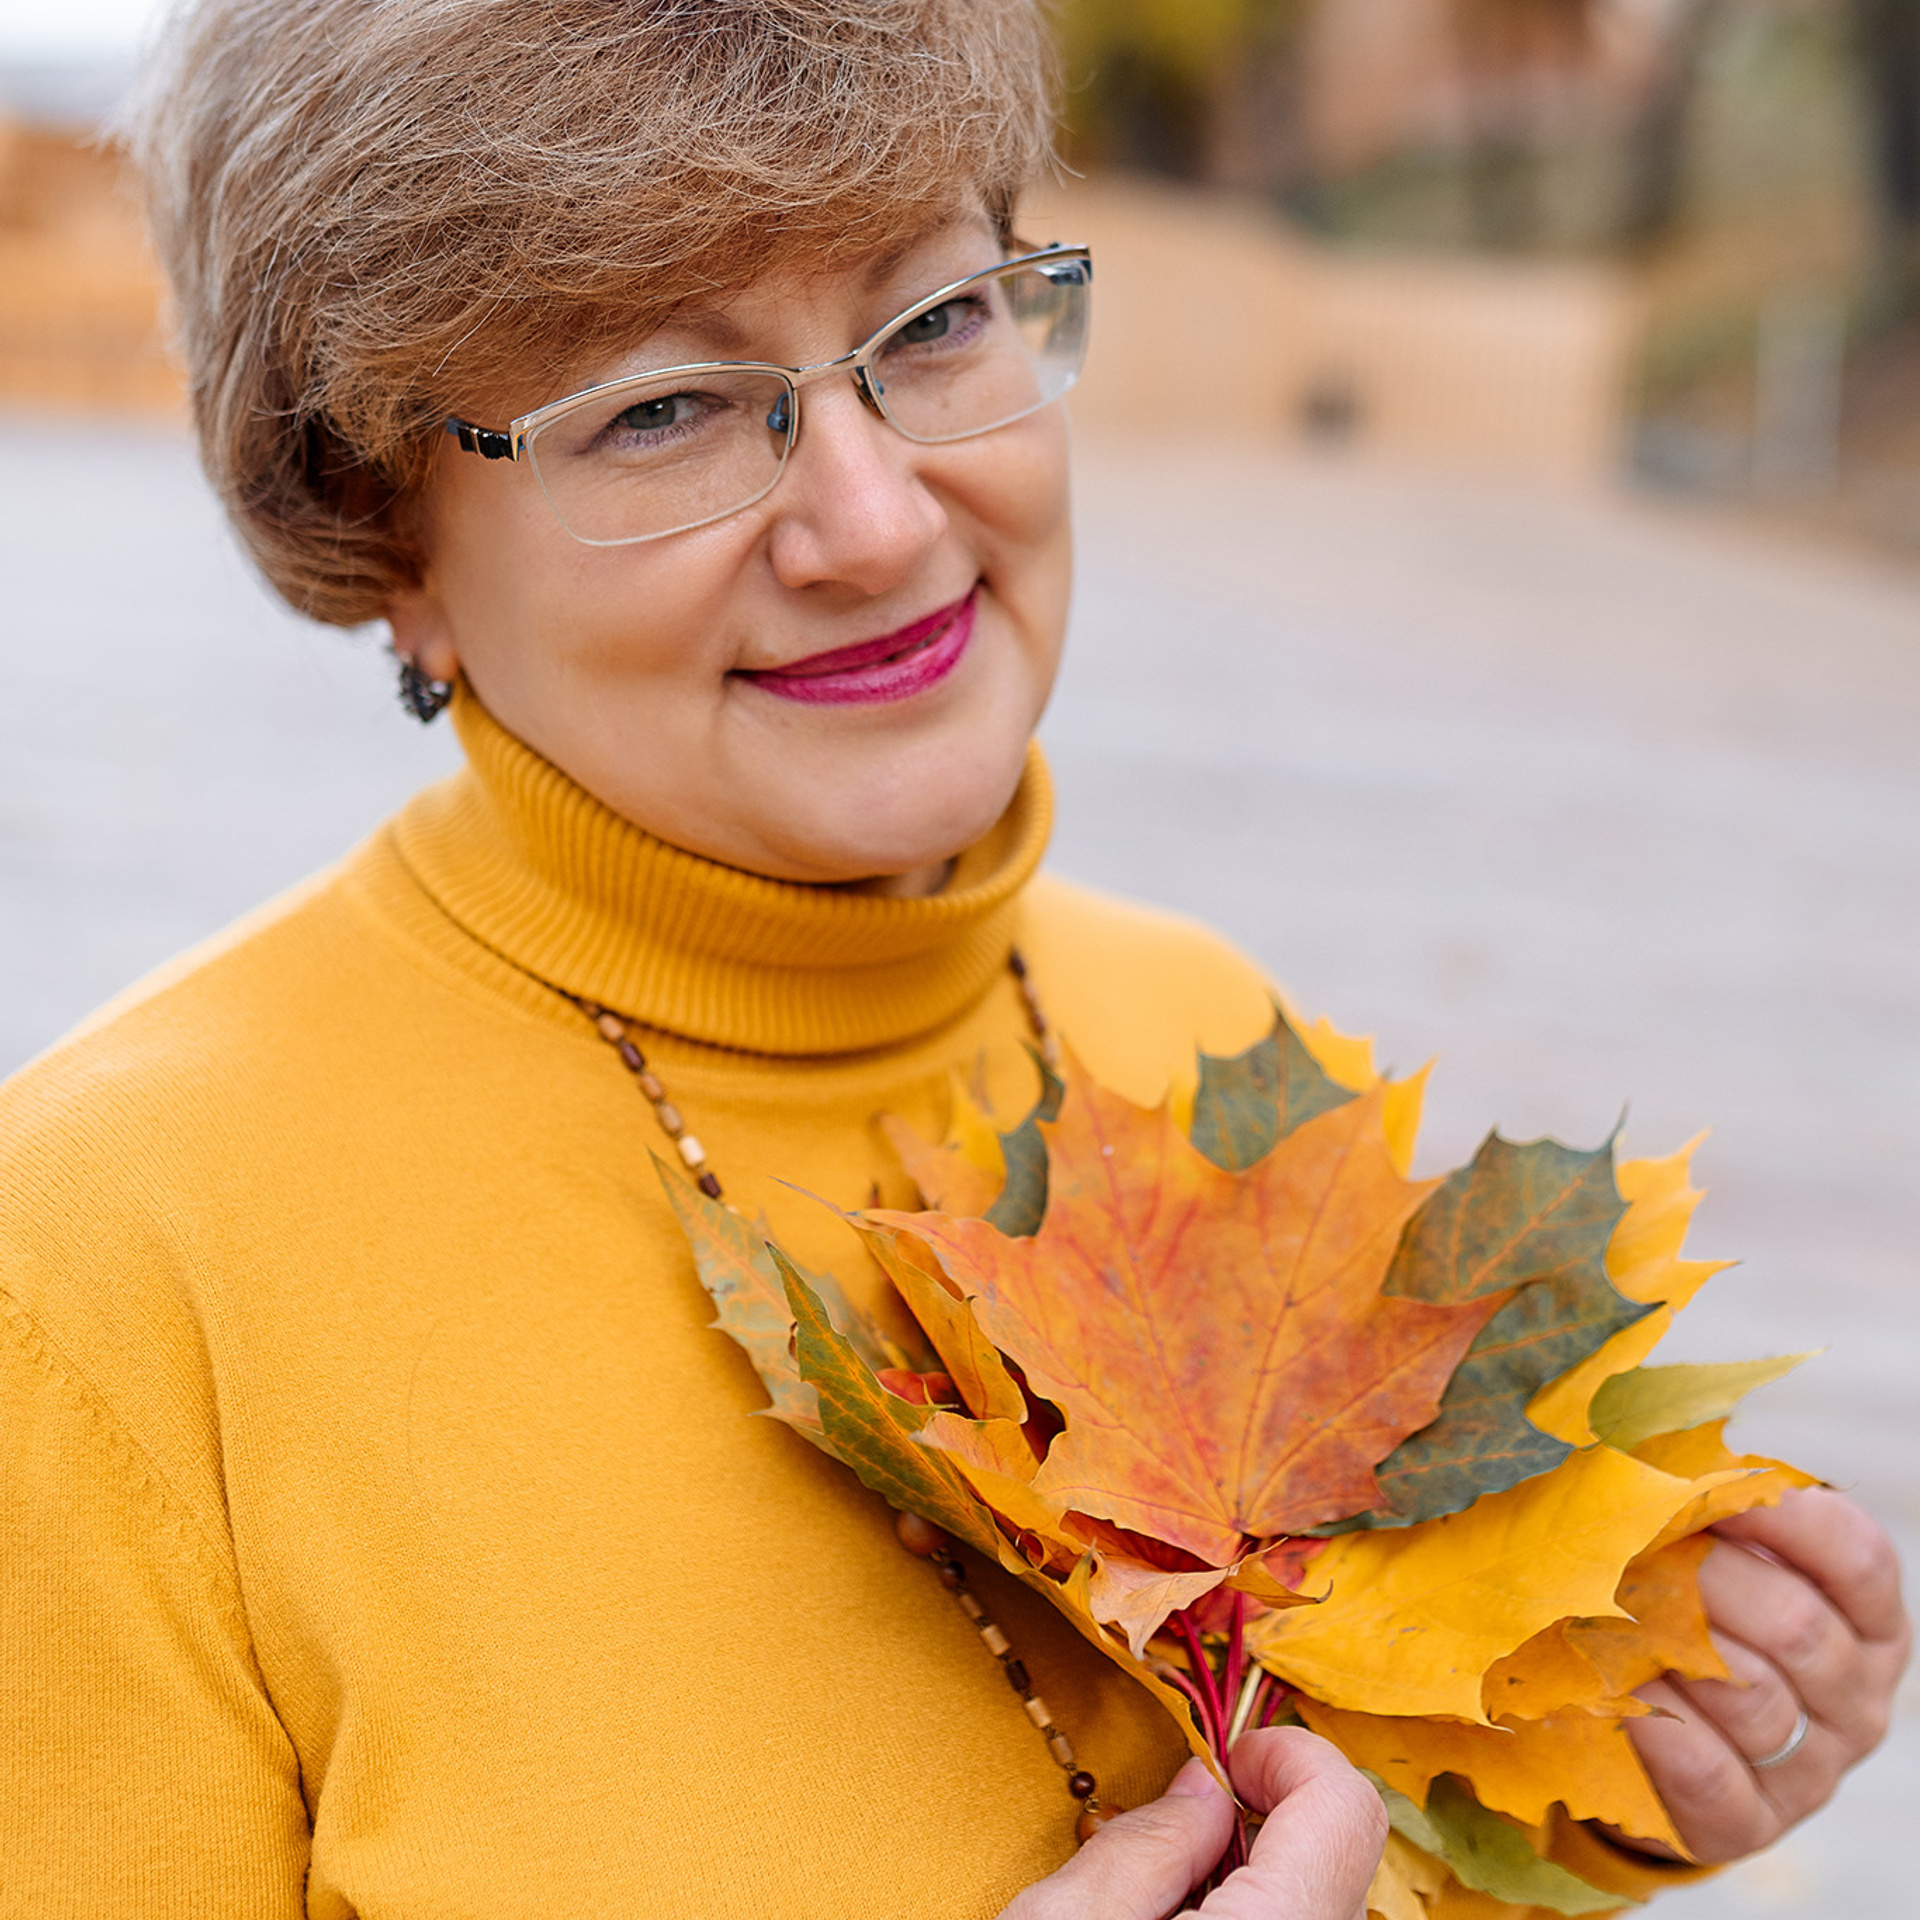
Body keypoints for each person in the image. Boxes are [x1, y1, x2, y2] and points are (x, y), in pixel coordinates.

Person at [0, 2, 1904, 1915]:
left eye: (935, 326)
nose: (877, 516)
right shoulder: (108, 1268)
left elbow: (1380, 1821)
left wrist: (1599, 1782)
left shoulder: (1210, 1042)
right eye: (661, 407)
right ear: (384, 532)